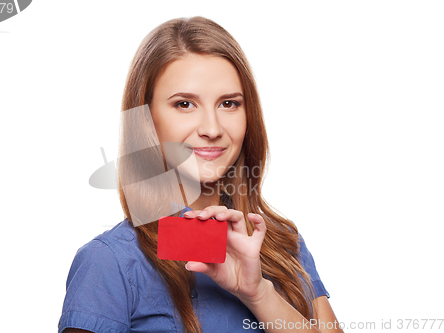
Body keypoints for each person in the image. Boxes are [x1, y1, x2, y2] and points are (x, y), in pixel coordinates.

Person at [58, 16, 343, 333]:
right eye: (184, 104)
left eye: (229, 104)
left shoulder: (283, 244)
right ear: (145, 118)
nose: (212, 129)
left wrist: (259, 293)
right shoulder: (109, 263)